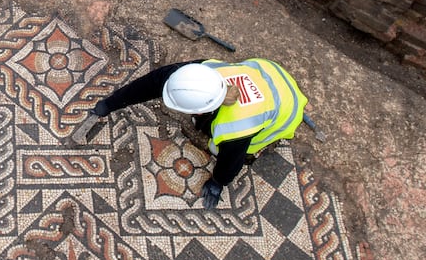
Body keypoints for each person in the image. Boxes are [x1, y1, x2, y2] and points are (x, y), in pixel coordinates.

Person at [70, 58, 307, 209]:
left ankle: (264, 144)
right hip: (268, 71)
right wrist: (109, 105)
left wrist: (218, 182)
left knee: (218, 148)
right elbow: (152, 82)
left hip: (288, 110)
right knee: (210, 132)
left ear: (206, 109)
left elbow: (230, 164)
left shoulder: (235, 128)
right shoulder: (200, 73)